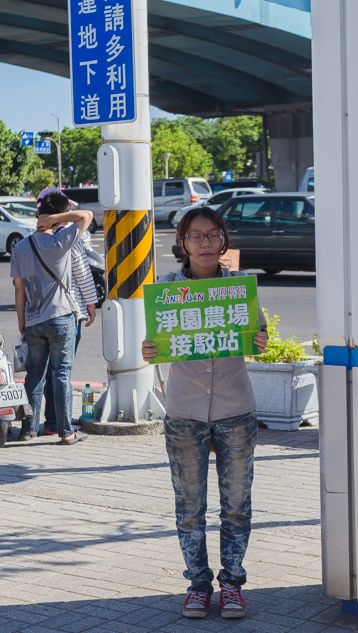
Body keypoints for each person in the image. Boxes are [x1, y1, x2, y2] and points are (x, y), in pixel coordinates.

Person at [141, 207, 268, 620]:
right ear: (182, 243)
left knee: (236, 504)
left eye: (213, 235)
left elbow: (257, 334)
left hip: (236, 409)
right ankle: (198, 585)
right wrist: (149, 350)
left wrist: (260, 338)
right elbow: (156, 342)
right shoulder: (167, 290)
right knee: (189, 506)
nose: (206, 243)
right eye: (196, 236)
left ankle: (231, 585)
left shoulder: (237, 289)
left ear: (223, 240)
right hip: (184, 412)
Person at [10, 191, 93, 444]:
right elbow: (86, 216)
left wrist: (21, 320)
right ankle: (66, 432)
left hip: (33, 321)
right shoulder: (60, 240)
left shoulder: (20, 247)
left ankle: (28, 429)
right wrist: (58, 217)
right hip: (61, 317)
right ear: (59, 219)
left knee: (34, 376)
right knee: (61, 374)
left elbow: (18, 288)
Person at [35, 188, 98, 436]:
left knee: (43, 372)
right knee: (62, 370)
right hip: (68, 312)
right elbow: (82, 271)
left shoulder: (33, 239)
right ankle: (60, 424)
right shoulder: (68, 236)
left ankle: (43, 422)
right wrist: (91, 303)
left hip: (39, 314)